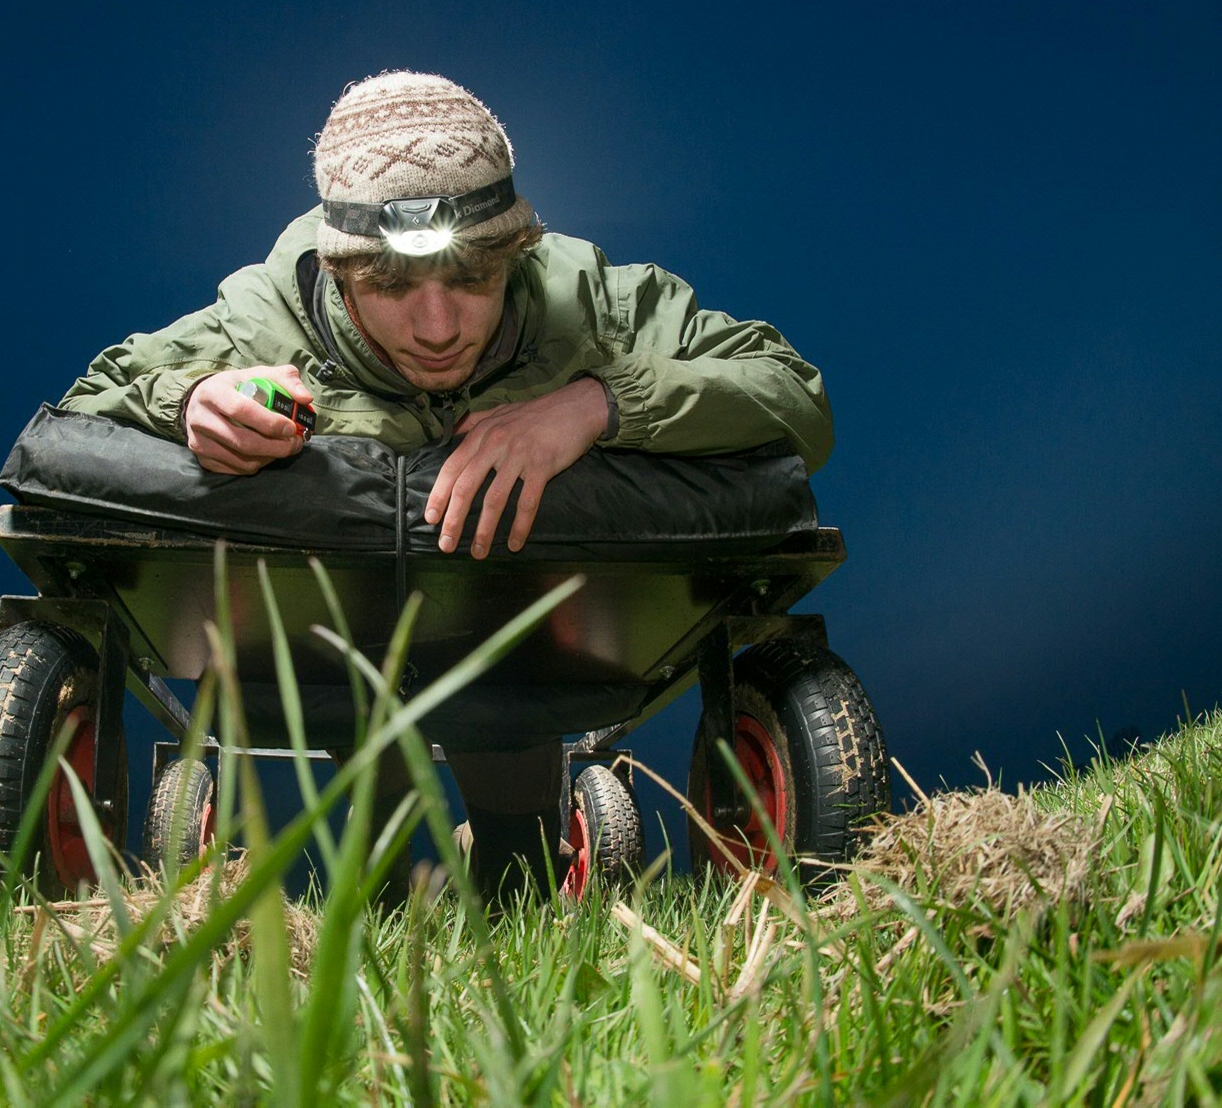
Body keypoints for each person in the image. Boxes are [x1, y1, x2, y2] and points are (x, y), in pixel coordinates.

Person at [57, 71, 832, 900]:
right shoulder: (260, 316)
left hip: (532, 646)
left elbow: (796, 395)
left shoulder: (594, 303)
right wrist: (190, 401)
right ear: (338, 270)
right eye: (390, 285)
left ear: (514, 253)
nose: (437, 327)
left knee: (514, 857)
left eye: (472, 279)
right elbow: (82, 410)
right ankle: (389, 879)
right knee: (373, 715)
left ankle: (513, 861)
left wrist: (601, 403)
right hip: (332, 647)